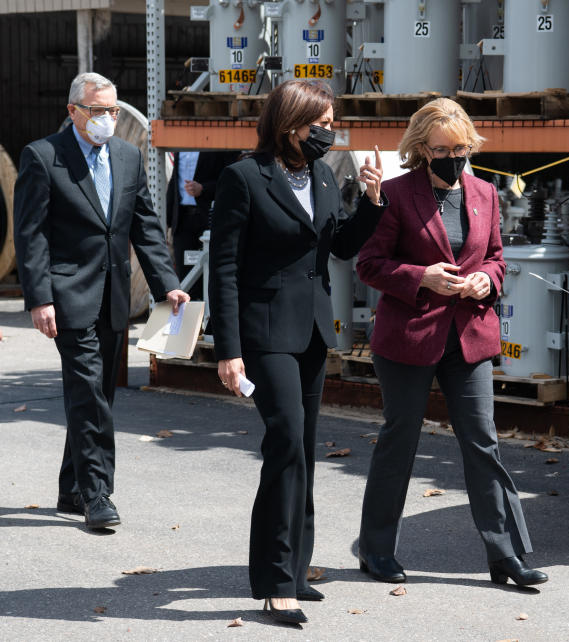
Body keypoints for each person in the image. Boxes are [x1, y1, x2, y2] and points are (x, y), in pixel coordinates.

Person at [209, 79, 385, 625]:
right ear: (290, 126)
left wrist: (373, 202)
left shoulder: (325, 177)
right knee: (284, 438)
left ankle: (295, 569)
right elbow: (224, 269)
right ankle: (276, 579)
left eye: (332, 122)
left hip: (310, 331)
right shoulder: (244, 178)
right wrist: (228, 350)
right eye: (321, 124)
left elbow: (342, 247)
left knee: (302, 448)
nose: (329, 132)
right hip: (262, 334)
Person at [355, 98, 547, 588]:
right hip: (408, 338)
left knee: (483, 443)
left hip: (468, 337)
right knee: (400, 442)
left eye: (462, 147)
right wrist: (422, 277)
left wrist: (486, 280)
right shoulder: (396, 194)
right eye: (443, 149)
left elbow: (498, 258)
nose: (454, 156)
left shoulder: (485, 191)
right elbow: (369, 265)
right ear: (422, 149)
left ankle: (506, 556)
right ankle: (376, 551)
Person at [13, 72, 188, 530]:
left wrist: (166, 283)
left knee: (97, 393)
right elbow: (30, 236)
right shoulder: (43, 156)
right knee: (88, 391)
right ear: (73, 111)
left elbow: (145, 228)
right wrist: (40, 297)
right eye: (98, 111)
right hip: (68, 295)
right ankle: (98, 495)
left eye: (113, 110)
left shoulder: (129, 157)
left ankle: (72, 487)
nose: (108, 118)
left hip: (113, 298)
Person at [166, 150, 236, 299]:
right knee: (184, 280)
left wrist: (203, 189)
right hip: (183, 221)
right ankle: (188, 319)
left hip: (209, 220)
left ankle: (209, 319)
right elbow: (175, 180)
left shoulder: (218, 141)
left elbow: (232, 179)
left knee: (212, 278)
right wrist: (166, 221)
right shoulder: (180, 144)